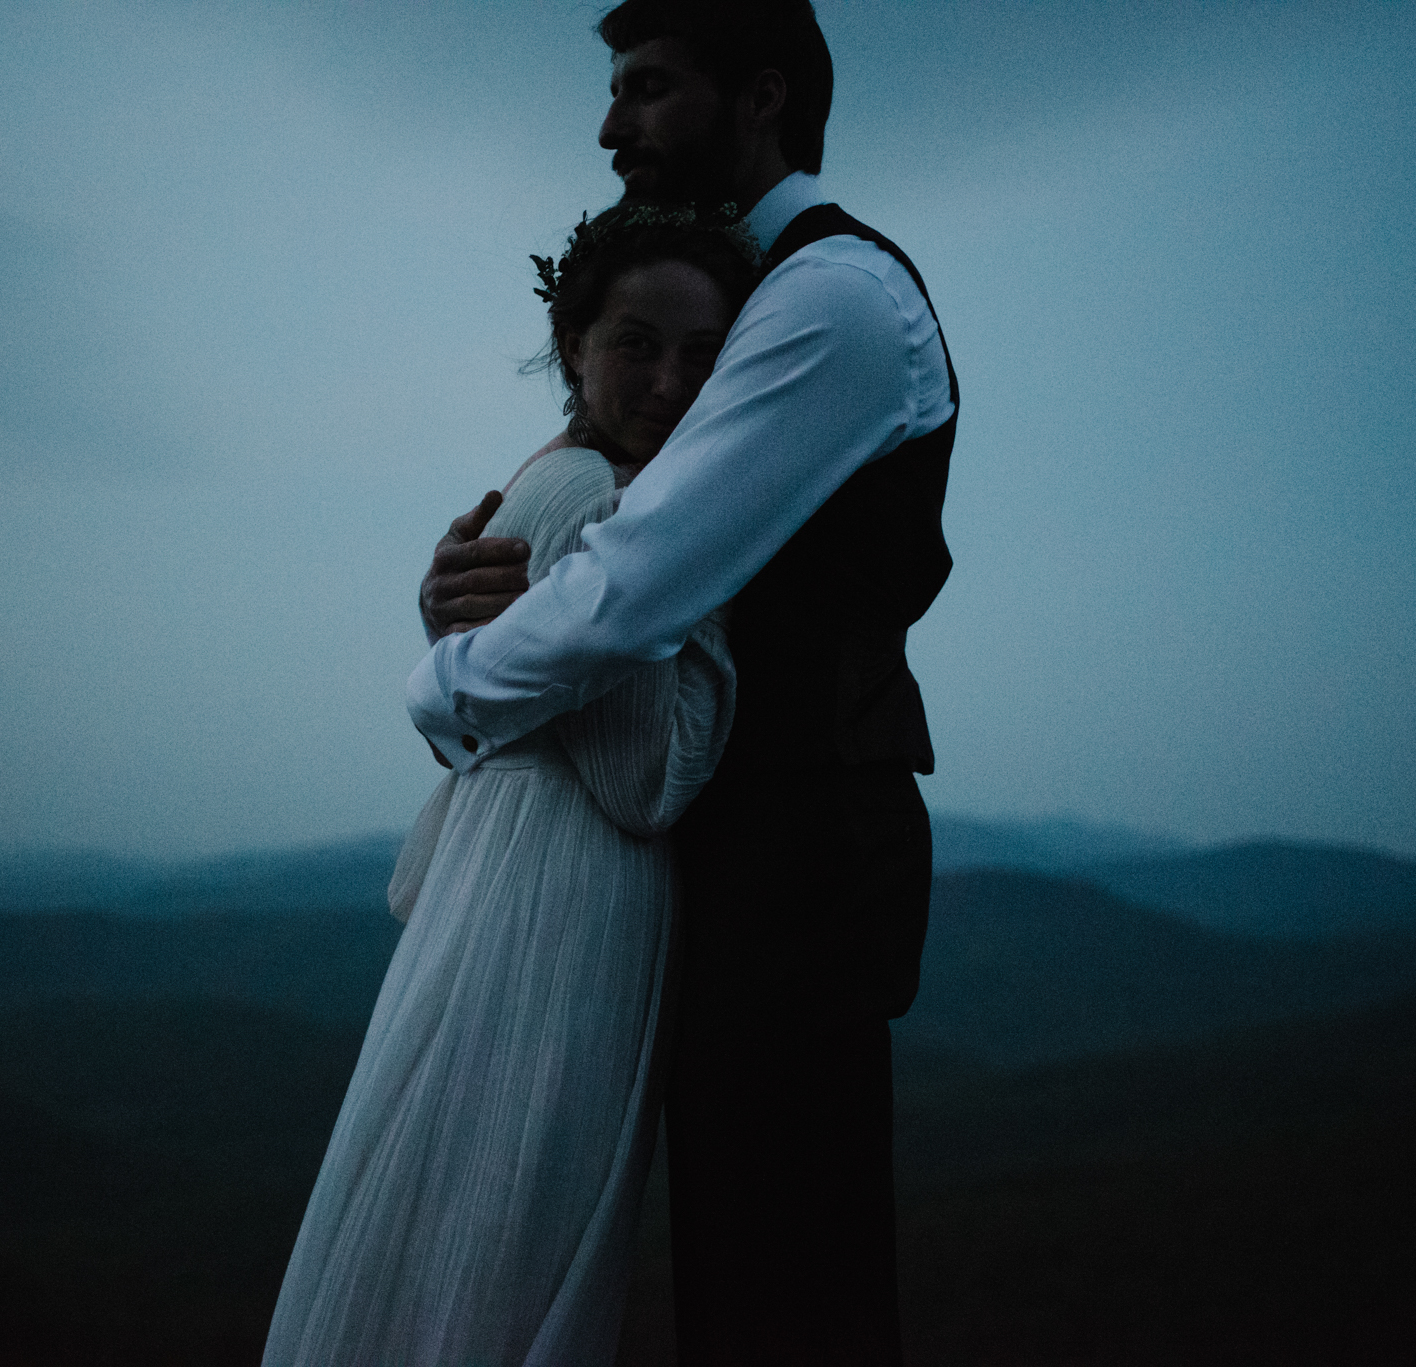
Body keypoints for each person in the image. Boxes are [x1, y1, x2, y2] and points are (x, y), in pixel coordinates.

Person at [412, 3, 957, 1363]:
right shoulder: (742, 306)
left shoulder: (834, 295)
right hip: (714, 847)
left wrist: (450, 685)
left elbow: (636, 579)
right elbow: (587, 531)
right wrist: (472, 582)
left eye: (649, 88)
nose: (613, 126)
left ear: (760, 95)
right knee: (727, 1274)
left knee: (786, 1287)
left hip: (799, 860)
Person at [260, 209, 758, 1367]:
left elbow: (491, 707)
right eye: (636, 344)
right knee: (495, 1227)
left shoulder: (581, 486)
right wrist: (712, 606)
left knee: (465, 1217)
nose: (670, 383)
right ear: (572, 344)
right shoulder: (592, 498)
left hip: (527, 871)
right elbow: (647, 773)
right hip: (554, 899)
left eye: (702, 357)